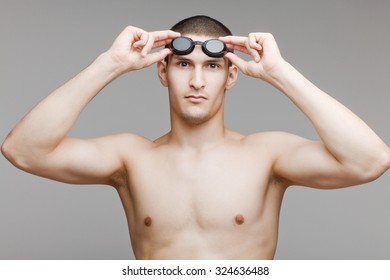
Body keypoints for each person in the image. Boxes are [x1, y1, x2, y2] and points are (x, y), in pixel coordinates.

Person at [1, 15, 389, 260]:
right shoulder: (131, 159)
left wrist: (280, 73)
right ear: (162, 72)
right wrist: (111, 64)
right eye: (184, 64)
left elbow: (371, 160)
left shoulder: (267, 156)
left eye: (213, 66)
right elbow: (22, 151)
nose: (197, 81)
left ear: (232, 75)